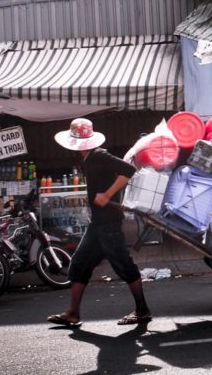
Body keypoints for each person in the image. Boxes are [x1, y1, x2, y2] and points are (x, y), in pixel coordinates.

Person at [47, 118, 150, 327]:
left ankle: (142, 310)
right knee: (80, 263)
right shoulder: (90, 158)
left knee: (123, 264)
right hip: (98, 224)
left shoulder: (99, 155)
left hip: (109, 224)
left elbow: (128, 171)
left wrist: (108, 194)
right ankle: (73, 312)